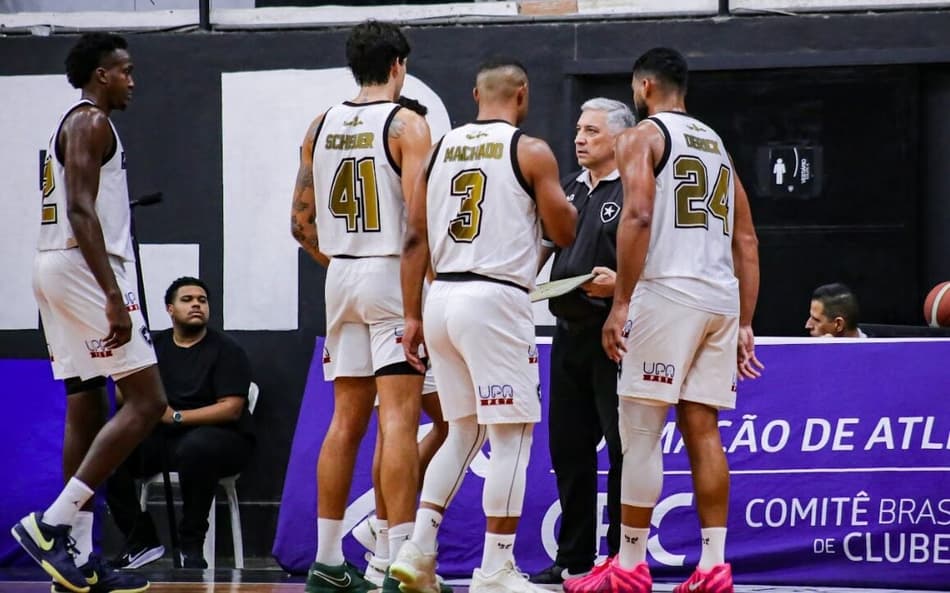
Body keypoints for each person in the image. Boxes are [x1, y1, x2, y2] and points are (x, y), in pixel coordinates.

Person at [570, 47, 763, 593]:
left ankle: (630, 564)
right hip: (720, 299)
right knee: (703, 429)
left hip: (668, 293)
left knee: (640, 432)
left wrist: (622, 302)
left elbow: (637, 214)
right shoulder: (717, 146)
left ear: (645, 86)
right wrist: (745, 322)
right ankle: (713, 566)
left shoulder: (643, 136)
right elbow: (747, 239)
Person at [390, 57, 577, 593]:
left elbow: (414, 238)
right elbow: (565, 233)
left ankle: (417, 549)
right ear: (522, 95)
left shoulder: (438, 151)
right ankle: (495, 569)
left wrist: (411, 314)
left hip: (441, 297)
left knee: (462, 431)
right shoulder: (529, 150)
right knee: (511, 436)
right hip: (494, 299)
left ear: (475, 95)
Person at [12, 32, 165, 593]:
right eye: (125, 70)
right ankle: (53, 523)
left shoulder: (76, 122)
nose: (132, 81)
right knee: (147, 400)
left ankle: (75, 558)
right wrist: (112, 294)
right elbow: (80, 208)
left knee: (86, 401)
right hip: (83, 266)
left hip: (56, 262)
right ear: (102, 74)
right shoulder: (90, 121)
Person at [289, 20, 432, 593]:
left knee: (344, 421)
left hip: (341, 275)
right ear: (398, 65)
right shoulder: (407, 124)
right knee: (397, 420)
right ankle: (399, 560)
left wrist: (344, 263)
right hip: (391, 272)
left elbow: (300, 224)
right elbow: (419, 226)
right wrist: (414, 304)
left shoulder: (319, 124)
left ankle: (327, 561)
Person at [531, 98, 635, 586]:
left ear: (620, 138)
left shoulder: (636, 189)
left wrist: (621, 286)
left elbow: (655, 259)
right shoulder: (569, 188)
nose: (579, 138)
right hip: (567, 333)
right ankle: (573, 557)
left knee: (621, 448)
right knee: (568, 450)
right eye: (578, 129)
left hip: (614, 336)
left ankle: (620, 557)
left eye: (592, 131)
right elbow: (544, 245)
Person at [351, 95, 450, 588]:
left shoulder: (350, 148)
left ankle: (381, 530)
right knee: (408, 424)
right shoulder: (412, 160)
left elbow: (302, 226)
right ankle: (393, 539)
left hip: (353, 282)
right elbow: (419, 236)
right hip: (406, 297)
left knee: (401, 426)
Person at [105, 276, 255, 569]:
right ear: (170, 309)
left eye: (202, 300)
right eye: (187, 300)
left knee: (197, 448)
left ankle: (191, 545)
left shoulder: (227, 350)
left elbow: (231, 409)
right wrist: (141, 395)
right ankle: (140, 539)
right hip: (164, 437)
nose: (197, 305)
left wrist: (175, 416)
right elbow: (122, 393)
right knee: (108, 450)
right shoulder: (152, 347)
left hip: (220, 437)